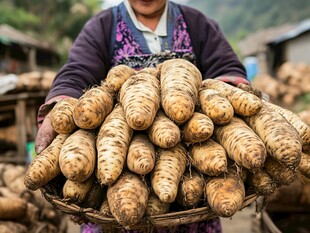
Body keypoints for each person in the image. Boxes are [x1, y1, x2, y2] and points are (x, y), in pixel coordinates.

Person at [35, 0, 251, 232]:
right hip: (117, 189)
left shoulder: (197, 23)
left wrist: (227, 94)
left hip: (193, 161)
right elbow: (77, 72)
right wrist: (61, 106)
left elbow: (226, 65)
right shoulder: (102, 26)